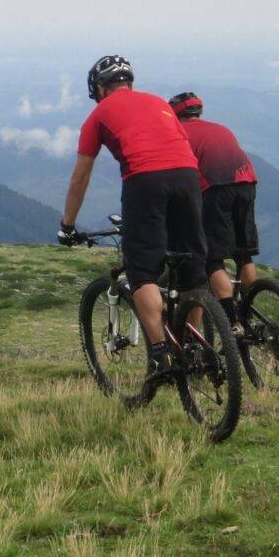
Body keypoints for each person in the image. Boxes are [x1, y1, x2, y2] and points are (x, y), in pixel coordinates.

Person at [59, 55, 206, 375]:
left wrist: (67, 225)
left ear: (99, 87)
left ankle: (160, 357)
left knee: (143, 273)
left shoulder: (98, 115)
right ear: (129, 82)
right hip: (188, 176)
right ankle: (196, 347)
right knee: (193, 267)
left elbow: (80, 178)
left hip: (145, 180)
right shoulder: (157, 103)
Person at [167, 91, 258, 330]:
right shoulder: (222, 128)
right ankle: (247, 316)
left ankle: (231, 323)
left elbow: (179, 176)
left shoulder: (179, 133)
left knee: (212, 258)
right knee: (244, 253)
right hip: (247, 182)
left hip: (217, 187)